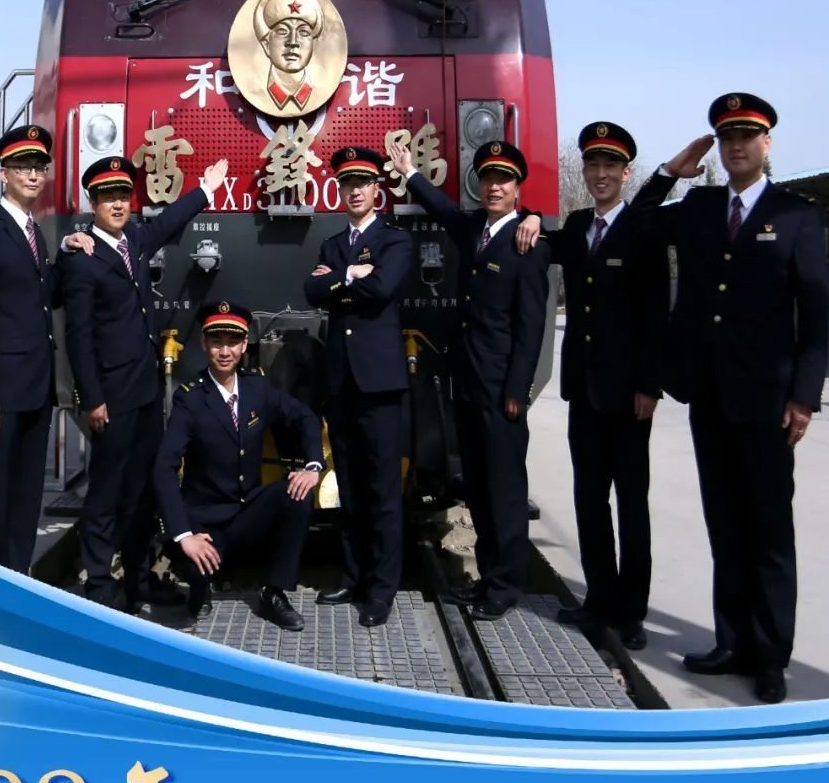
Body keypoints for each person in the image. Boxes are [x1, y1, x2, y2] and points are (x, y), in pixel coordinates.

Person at [650, 93, 829, 703]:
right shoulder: (699, 207)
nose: (736, 148)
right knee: (725, 526)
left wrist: (804, 397)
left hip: (770, 402)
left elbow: (816, 317)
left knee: (769, 533)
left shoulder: (797, 216)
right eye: (726, 138)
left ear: (767, 143)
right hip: (710, 396)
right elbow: (638, 222)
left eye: (747, 137)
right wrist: (671, 171)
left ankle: (770, 656)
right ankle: (731, 642)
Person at [514, 125, 715, 649]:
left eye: (610, 167)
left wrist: (649, 385)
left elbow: (655, 314)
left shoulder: (643, 227)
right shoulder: (580, 224)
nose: (599, 175)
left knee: (631, 503)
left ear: (626, 174)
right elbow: (547, 245)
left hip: (629, 395)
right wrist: (530, 215)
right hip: (584, 390)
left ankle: (631, 612)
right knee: (589, 499)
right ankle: (598, 600)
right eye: (592, 166)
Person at [62, 153, 229, 613]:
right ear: (92, 203)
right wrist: (92, 398)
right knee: (105, 492)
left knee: (142, 491)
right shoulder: (82, 259)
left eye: (123, 195)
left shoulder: (133, 239)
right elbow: (79, 337)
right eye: (108, 197)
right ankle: (99, 584)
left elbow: (167, 223)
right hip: (111, 398)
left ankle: (138, 581)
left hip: (145, 393)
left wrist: (205, 189)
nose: (118, 204)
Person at [393, 138, 550, 619]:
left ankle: (506, 587)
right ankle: (487, 578)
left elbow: (531, 327)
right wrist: (410, 173)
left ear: (518, 188)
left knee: (505, 491)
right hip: (467, 385)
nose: (494, 187)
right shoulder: (476, 231)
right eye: (487, 179)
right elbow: (442, 211)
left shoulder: (529, 244)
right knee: (479, 489)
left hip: (502, 392)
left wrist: (518, 390)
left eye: (503, 180)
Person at [0, 125, 93, 574]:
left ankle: (18, 581)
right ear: (4, 174)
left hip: (36, 389)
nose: (34, 176)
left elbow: (44, 296)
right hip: (1, 393)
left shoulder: (35, 233)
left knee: (26, 501)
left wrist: (67, 250)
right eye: (23, 167)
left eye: (39, 168)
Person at [153, 302, 323, 626]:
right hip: (206, 521)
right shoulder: (191, 399)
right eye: (216, 342)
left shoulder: (256, 387)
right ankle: (200, 589)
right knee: (195, 570)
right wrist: (184, 534)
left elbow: (304, 417)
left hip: (247, 513)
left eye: (233, 342)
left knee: (298, 495)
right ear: (204, 344)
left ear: (245, 345)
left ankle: (274, 593)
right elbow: (164, 466)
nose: (224, 351)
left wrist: (313, 466)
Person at [304, 147, 412, 627]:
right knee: (347, 485)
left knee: (382, 489)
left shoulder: (395, 240)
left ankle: (381, 589)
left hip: (379, 382)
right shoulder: (332, 246)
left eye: (362, 184)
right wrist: (351, 274)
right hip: (341, 381)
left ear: (376, 190)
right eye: (346, 184)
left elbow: (383, 288)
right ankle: (352, 576)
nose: (354, 191)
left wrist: (339, 283)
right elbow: (311, 291)